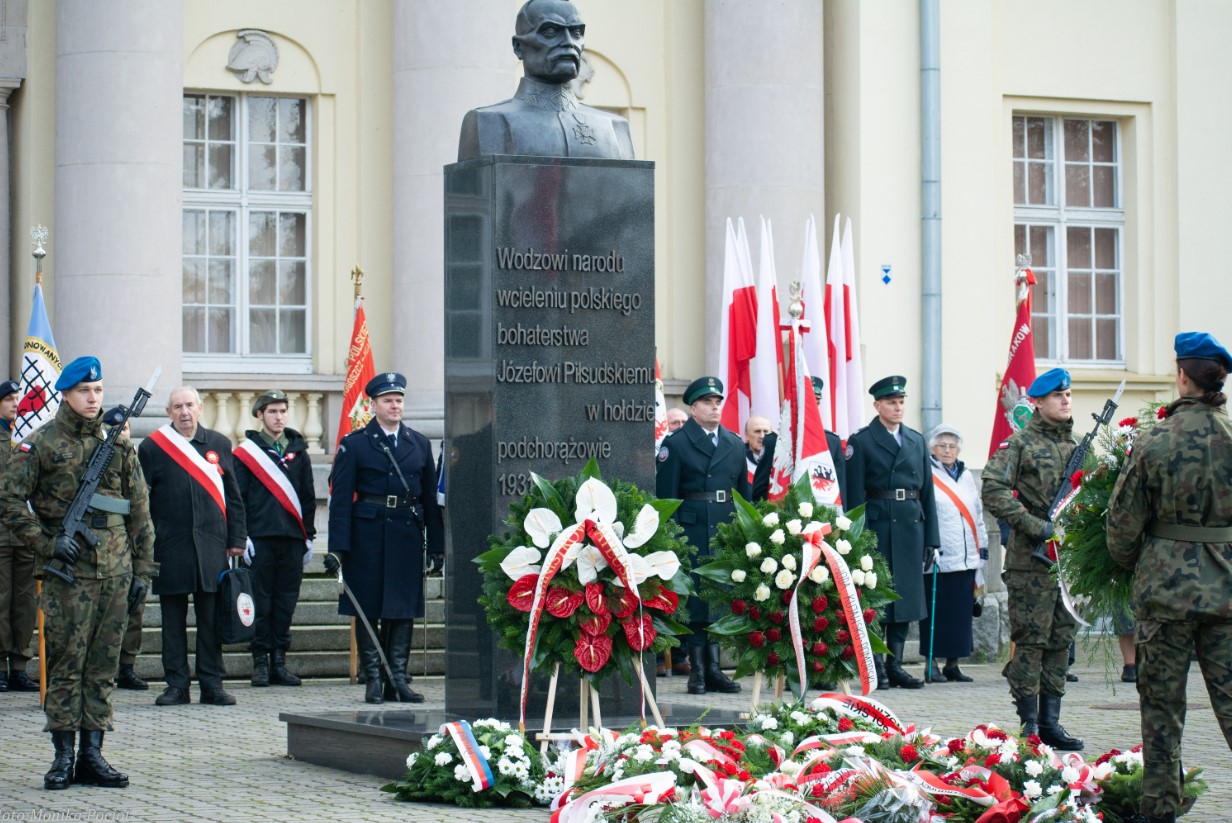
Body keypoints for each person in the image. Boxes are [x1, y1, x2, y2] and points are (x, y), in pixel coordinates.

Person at [0, 357, 156, 790]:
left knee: (103, 665)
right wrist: (47, 543)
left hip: (116, 571)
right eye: (85, 391)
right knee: (68, 664)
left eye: (99, 391)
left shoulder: (119, 445)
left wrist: (143, 568)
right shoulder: (41, 444)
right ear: (66, 394)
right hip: (69, 575)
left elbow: (140, 509)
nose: (94, 398)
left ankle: (92, 754)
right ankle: (62, 755)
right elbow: (10, 502)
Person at [1106, 331, 1232, 823]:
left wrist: (1134, 560)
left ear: (1183, 376)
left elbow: (1121, 527)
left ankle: (1159, 809)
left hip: (1165, 594)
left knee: (1161, 709)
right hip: (1226, 591)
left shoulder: (1154, 438)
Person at [325, 372, 444, 704]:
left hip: (406, 535)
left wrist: (437, 545)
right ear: (373, 405)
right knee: (368, 608)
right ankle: (374, 679)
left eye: (399, 400)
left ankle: (399, 679)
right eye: (388, 401)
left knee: (402, 608)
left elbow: (429, 501)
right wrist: (338, 549)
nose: (395, 406)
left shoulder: (418, 443)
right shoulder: (355, 443)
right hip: (368, 536)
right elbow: (340, 500)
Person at [981, 367, 1083, 750]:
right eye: (1058, 396)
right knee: (1031, 641)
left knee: (1060, 640)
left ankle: (1051, 721)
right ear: (1037, 403)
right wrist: (1034, 525)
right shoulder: (1019, 444)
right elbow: (993, 489)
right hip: (1031, 561)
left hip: (1065, 564)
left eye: (1069, 394)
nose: (1066, 400)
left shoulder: (1076, 447)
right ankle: (1028, 724)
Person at [138, 387, 246, 707]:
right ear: (168, 412)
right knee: (172, 621)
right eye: (177, 407)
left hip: (213, 546)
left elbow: (234, 497)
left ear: (200, 408)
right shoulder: (152, 447)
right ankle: (176, 685)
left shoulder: (219, 444)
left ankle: (212, 684)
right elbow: (141, 502)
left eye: (189, 406)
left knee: (210, 619)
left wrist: (237, 540)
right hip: (170, 547)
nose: (184, 412)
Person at [655, 376, 748, 696]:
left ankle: (714, 669)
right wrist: (673, 541)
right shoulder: (676, 444)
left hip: (723, 530)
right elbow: (666, 498)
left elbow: (743, 497)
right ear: (693, 408)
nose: (714, 407)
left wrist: (743, 534)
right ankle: (697, 671)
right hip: (692, 530)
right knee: (696, 603)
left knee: (719, 601)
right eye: (707, 402)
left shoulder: (734, 444)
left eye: (717, 402)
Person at [845, 376, 938, 690]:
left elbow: (928, 493)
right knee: (876, 599)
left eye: (901, 402)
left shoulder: (915, 440)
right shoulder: (862, 441)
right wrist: (857, 540)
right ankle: (875, 667)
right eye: (891, 402)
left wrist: (932, 539)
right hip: (878, 526)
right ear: (877, 405)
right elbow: (854, 495)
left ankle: (895, 664)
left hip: (912, 524)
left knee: (906, 597)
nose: (897, 407)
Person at [458, 0, 635, 161]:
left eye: (576, 32)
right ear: (519, 47)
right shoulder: (488, 122)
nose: (569, 42)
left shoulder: (614, 127)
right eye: (551, 32)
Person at [234, 390, 317, 688]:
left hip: (292, 539)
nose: (279, 417)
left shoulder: (299, 451)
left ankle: (279, 660)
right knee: (260, 600)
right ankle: (259, 661)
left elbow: (307, 497)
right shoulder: (246, 454)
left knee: (285, 601)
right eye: (272, 411)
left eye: (282, 411)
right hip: (261, 538)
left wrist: (310, 536)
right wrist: (243, 536)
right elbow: (239, 498)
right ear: (260, 415)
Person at [919, 423, 988, 684]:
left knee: (961, 615)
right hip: (939, 555)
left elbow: (977, 513)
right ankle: (931, 664)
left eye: (952, 446)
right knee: (936, 613)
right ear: (932, 449)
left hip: (966, 555)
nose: (947, 450)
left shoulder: (966, 475)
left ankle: (953, 663)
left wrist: (981, 549)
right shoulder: (928, 473)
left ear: (958, 449)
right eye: (941, 446)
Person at [98, 407, 149, 692]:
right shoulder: (99, 463)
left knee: (135, 609)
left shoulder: (136, 461)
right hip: (107, 548)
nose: (122, 434)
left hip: (133, 547)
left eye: (126, 428)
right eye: (115, 429)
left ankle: (127, 666)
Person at [0, 379, 39, 694]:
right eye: (9, 399)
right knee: (1, 600)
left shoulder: (29, 438)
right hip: (1, 531)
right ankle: (0, 666)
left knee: (25, 602)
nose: (16, 404)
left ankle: (20, 667)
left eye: (18, 398)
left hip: (27, 532)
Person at [744, 415, 772, 490]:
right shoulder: (738, 460)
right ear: (746, 435)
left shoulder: (777, 461)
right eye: (757, 431)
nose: (762, 436)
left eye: (766, 432)